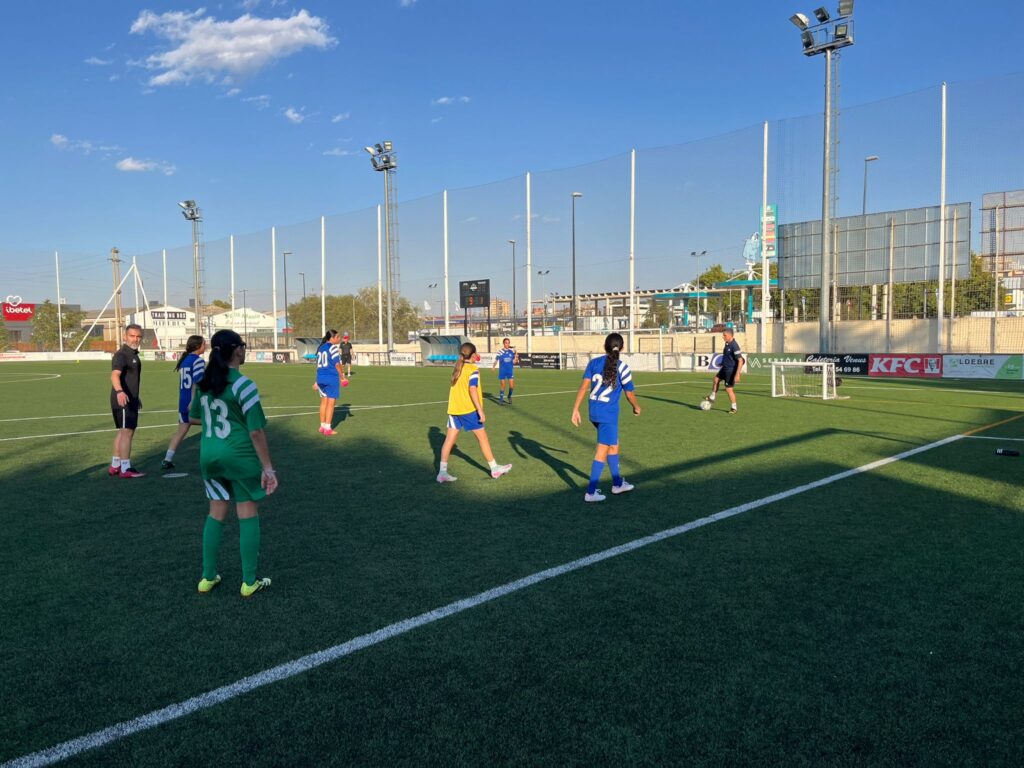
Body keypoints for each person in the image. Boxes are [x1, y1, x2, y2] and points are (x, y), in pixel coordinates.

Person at [189, 329, 278, 598]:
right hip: (238, 455)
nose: (245, 349)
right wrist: (268, 468)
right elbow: (256, 431)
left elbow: (192, 417)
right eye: (243, 345)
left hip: (208, 455)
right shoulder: (243, 384)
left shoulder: (204, 383)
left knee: (215, 513)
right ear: (237, 350)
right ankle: (249, 581)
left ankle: (207, 577)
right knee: (247, 514)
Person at [571, 332, 640, 503]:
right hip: (607, 414)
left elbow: (583, 387)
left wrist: (575, 409)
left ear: (605, 346)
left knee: (614, 445)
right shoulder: (622, 367)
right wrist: (636, 407)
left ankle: (617, 484)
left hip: (593, 412)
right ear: (622, 348)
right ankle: (591, 492)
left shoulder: (594, 363)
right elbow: (629, 393)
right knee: (602, 450)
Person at [437, 342, 512, 483]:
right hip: (468, 410)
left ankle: (442, 472)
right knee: (483, 439)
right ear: (473, 355)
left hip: (454, 410)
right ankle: (495, 469)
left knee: (449, 441)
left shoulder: (457, 368)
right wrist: (480, 410)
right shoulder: (473, 369)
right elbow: (472, 390)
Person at [162, 335, 206, 470]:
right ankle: (210, 458)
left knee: (181, 430)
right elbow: (197, 382)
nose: (206, 345)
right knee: (211, 424)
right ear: (198, 346)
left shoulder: (185, 360)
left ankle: (167, 459)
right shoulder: (198, 361)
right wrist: (194, 400)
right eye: (204, 343)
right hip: (194, 401)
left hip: (183, 400)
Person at [109, 323, 146, 478]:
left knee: (123, 432)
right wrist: (120, 392)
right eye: (132, 336)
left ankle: (115, 465)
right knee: (127, 432)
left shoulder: (133, 354)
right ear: (125, 336)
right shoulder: (122, 354)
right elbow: (114, 375)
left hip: (129, 398)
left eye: (138, 336)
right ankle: (126, 469)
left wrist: (135, 397)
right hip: (122, 399)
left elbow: (130, 379)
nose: (135, 339)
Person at [313, 329, 347, 435]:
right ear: (331, 338)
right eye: (337, 337)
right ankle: (328, 428)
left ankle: (322, 426)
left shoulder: (321, 348)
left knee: (323, 402)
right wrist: (342, 377)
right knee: (331, 404)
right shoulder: (333, 348)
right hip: (331, 378)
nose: (339, 338)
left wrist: (316, 381)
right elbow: (337, 364)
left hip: (321, 378)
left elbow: (318, 365)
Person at [704, 327, 744, 414]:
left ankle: (734, 408)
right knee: (715, 380)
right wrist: (722, 363)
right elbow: (727, 356)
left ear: (730, 335)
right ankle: (712, 397)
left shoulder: (734, 346)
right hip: (724, 368)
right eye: (723, 335)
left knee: (729, 389)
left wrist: (737, 374)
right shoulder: (727, 343)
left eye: (724, 335)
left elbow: (740, 360)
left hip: (730, 371)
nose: (723, 337)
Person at [492, 337, 519, 404]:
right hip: (502, 371)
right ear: (503, 344)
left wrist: (516, 356)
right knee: (503, 386)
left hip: (509, 371)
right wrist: (493, 366)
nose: (507, 344)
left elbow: (514, 362)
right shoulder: (500, 352)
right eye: (506, 343)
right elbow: (496, 360)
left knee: (512, 386)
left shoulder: (511, 352)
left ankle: (509, 396)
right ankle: (501, 400)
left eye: (508, 343)